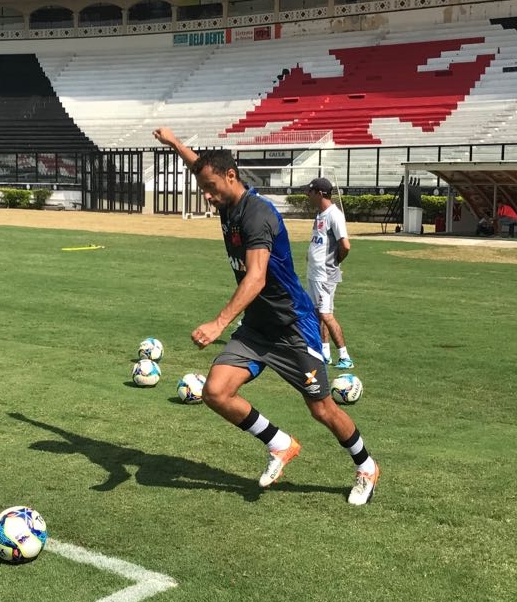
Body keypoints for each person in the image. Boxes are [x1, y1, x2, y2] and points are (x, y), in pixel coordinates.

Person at [152, 126, 380, 505]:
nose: (207, 198)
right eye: (203, 189)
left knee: (321, 408)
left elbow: (256, 278)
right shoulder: (226, 198)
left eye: (211, 188)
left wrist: (218, 322)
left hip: (292, 327)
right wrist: (175, 143)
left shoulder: (258, 216)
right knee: (215, 391)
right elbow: (202, 166)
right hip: (257, 327)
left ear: (231, 176)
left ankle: (367, 467)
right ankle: (280, 444)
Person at [305, 177, 354, 369]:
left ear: (319, 193)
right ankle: (324, 352)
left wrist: (335, 261)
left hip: (324, 274)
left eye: (310, 191)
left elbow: (345, 245)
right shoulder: (320, 214)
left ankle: (344, 356)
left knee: (326, 314)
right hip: (315, 273)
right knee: (317, 313)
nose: (307, 195)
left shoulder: (334, 215)